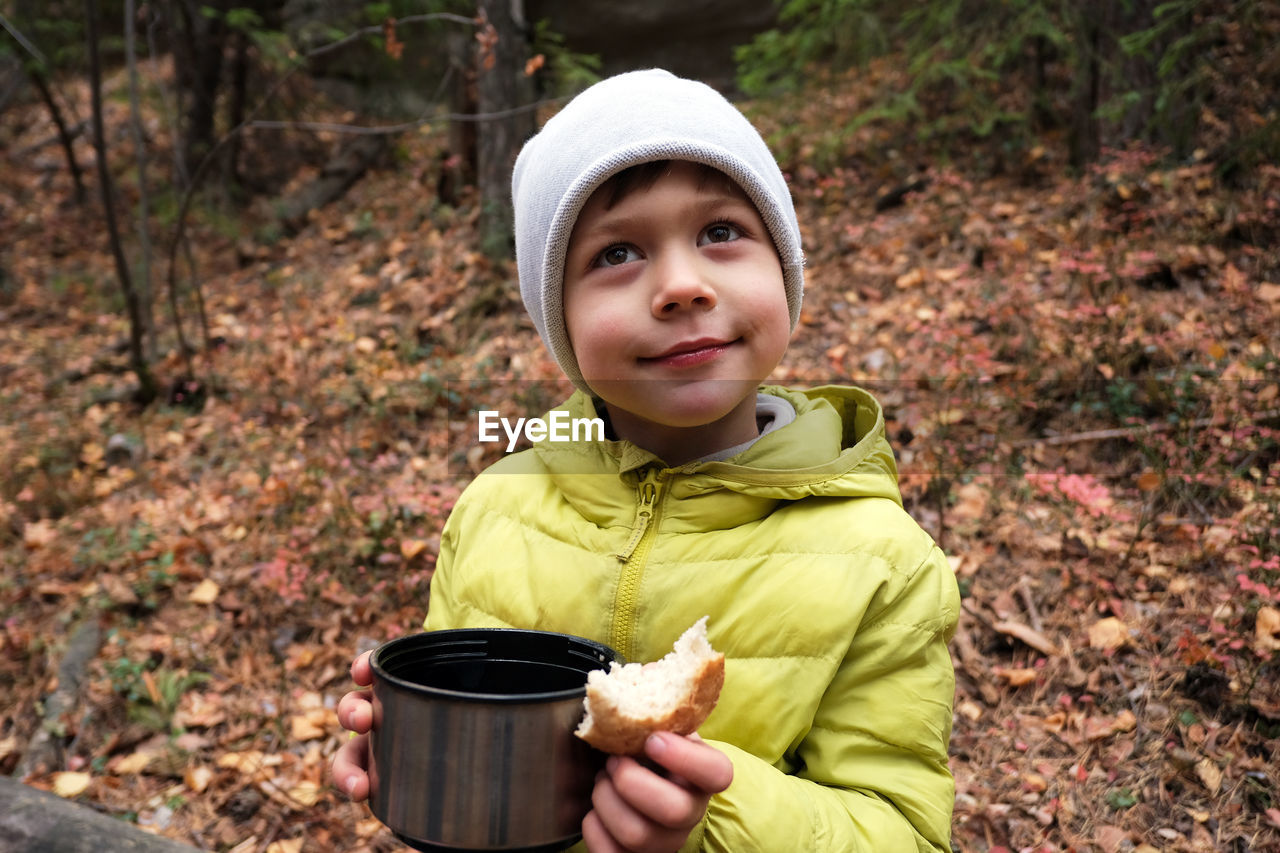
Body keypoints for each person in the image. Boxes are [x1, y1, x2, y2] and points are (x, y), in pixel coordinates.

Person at [333, 68, 959, 852]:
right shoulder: (496, 509)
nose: (682, 286)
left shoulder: (883, 564)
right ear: (557, 318)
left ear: (785, 264)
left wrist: (709, 818)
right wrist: (412, 746)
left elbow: (902, 829)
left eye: (722, 232)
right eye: (618, 251)